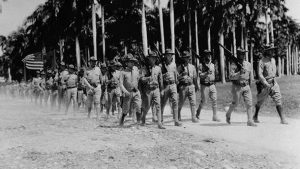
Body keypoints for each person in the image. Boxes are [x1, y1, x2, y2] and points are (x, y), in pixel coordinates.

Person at [253, 45, 288, 124]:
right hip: (264, 84)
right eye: (270, 50)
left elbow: (273, 72)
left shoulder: (273, 60)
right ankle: (255, 116)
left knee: (278, 99)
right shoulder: (262, 61)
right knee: (260, 101)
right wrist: (265, 83)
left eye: (273, 50)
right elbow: (260, 74)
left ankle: (283, 119)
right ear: (266, 51)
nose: (272, 52)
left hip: (273, 83)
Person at [225, 48, 256, 126]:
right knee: (235, 103)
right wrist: (239, 73)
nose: (242, 55)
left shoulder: (248, 64)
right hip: (237, 86)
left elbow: (249, 76)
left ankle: (250, 120)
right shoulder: (233, 65)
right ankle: (228, 114)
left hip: (246, 86)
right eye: (241, 53)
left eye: (243, 53)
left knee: (249, 103)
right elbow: (231, 77)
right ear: (238, 54)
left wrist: (249, 85)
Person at [140, 51, 165, 129]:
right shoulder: (144, 68)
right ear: (149, 58)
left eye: (154, 58)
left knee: (158, 105)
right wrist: (147, 78)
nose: (153, 59)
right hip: (148, 90)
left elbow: (160, 80)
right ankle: (143, 117)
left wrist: (162, 89)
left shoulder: (158, 68)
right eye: (151, 58)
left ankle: (159, 123)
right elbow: (141, 79)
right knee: (147, 106)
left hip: (156, 89)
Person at [196, 50, 220, 122]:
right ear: (204, 56)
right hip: (205, 85)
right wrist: (206, 73)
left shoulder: (212, 65)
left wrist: (214, 83)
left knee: (214, 100)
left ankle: (215, 116)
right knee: (204, 101)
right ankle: (198, 112)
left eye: (209, 55)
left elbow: (214, 75)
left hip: (212, 85)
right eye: (206, 55)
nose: (208, 56)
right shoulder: (201, 65)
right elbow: (200, 75)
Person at [160, 49, 182, 126]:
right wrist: (163, 76)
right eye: (167, 55)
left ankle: (176, 120)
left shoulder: (173, 65)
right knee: (163, 103)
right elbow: (159, 77)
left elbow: (175, 75)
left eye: (170, 55)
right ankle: (161, 120)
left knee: (175, 102)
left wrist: (177, 84)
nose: (169, 56)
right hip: (165, 86)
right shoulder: (161, 65)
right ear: (165, 55)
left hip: (173, 85)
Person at [119, 53, 141, 126]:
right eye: (130, 62)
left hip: (136, 91)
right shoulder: (123, 72)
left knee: (138, 106)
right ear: (127, 63)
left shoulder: (136, 69)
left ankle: (138, 122)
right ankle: (122, 119)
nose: (132, 63)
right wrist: (125, 91)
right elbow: (121, 84)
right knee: (126, 109)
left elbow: (138, 79)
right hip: (128, 92)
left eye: (133, 62)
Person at [177, 51, 199, 123]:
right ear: (183, 58)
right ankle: (178, 114)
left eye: (188, 57)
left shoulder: (192, 67)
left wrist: (196, 86)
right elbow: (176, 78)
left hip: (191, 86)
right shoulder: (179, 67)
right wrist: (181, 75)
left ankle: (193, 117)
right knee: (181, 102)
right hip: (183, 87)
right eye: (185, 57)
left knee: (193, 102)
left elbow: (195, 77)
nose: (187, 59)